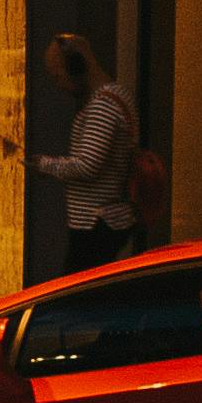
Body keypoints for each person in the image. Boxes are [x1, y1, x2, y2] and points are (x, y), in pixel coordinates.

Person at [34, 28, 137, 260]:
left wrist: (44, 165)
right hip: (104, 220)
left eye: (58, 76)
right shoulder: (117, 96)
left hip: (95, 223)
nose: (58, 85)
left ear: (75, 68)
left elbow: (88, 165)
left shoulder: (102, 107)